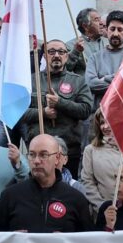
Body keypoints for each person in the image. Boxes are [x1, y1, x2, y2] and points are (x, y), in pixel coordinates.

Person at [21, 39, 93, 176]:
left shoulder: (78, 81)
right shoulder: (30, 81)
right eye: (51, 51)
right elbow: (18, 113)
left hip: (68, 150)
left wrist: (60, 103)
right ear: (44, 56)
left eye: (61, 51)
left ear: (67, 56)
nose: (56, 55)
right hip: (38, 151)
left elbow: (85, 110)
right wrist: (43, 113)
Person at [80, 109, 123, 214]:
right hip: (103, 212)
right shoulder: (90, 150)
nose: (105, 126)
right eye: (102, 122)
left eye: (109, 121)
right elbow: (87, 182)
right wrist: (102, 206)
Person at [86, 10, 123, 106]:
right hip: (101, 114)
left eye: (120, 30)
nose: (115, 34)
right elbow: (91, 84)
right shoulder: (94, 58)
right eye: (112, 29)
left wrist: (103, 79)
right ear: (106, 29)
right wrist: (120, 79)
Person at [66, 8, 104, 75]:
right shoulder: (71, 45)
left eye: (100, 19)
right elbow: (65, 69)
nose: (101, 23)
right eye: (97, 19)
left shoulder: (108, 43)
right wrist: (76, 51)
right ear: (85, 26)